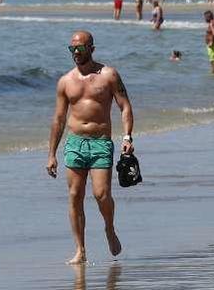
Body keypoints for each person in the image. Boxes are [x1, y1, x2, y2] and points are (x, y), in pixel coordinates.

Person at [46, 31, 135, 265]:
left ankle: (109, 227)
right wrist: (51, 154)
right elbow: (58, 119)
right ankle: (80, 250)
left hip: (100, 142)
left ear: (92, 49)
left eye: (80, 48)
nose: (76, 53)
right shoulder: (65, 81)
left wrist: (127, 137)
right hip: (74, 142)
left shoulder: (109, 75)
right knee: (75, 195)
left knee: (101, 194)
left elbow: (125, 106)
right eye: (72, 49)